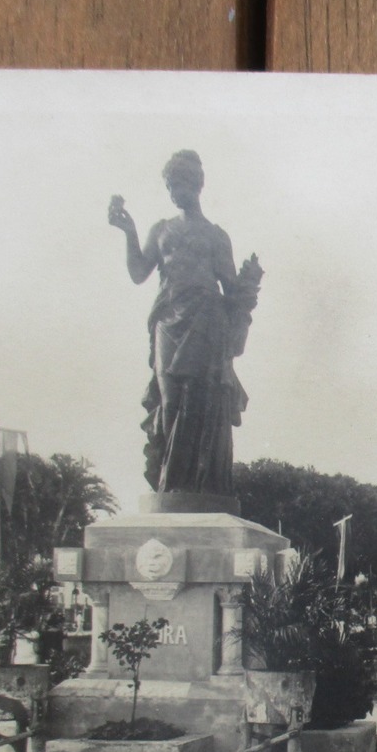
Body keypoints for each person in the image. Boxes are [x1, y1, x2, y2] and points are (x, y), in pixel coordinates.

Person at [109, 150, 263, 495]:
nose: (173, 191)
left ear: (196, 185)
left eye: (178, 183)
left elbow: (230, 287)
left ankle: (193, 487)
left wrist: (248, 284)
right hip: (167, 319)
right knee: (170, 398)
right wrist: (129, 231)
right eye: (169, 185)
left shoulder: (216, 236)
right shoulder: (160, 230)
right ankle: (170, 482)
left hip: (205, 321)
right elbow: (138, 273)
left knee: (198, 399)